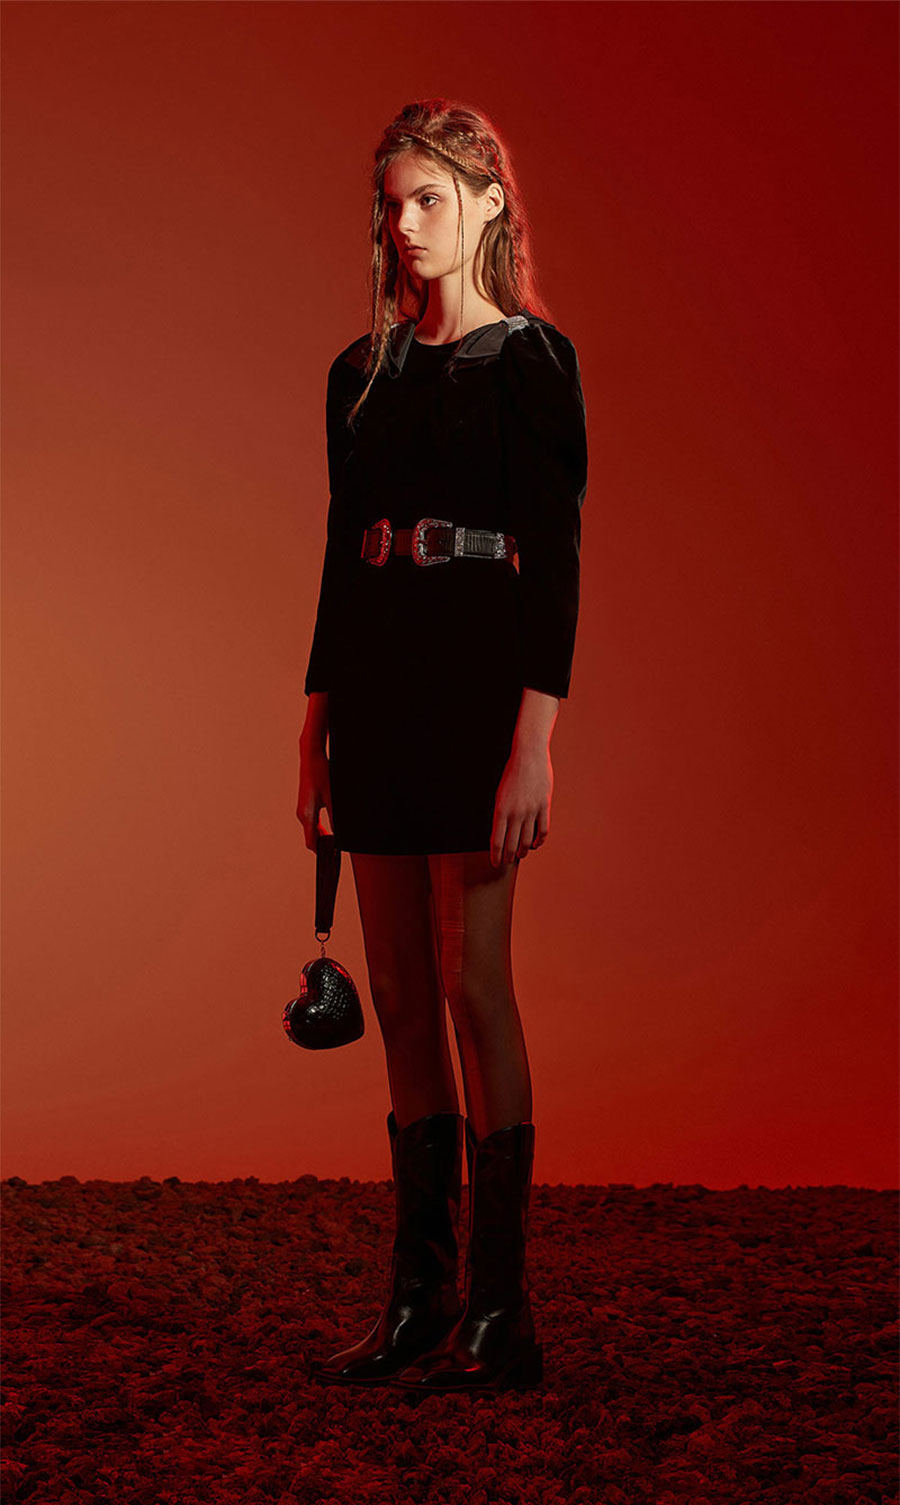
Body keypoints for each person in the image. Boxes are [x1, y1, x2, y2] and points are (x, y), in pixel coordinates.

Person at [296, 98, 588, 1392]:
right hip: (374, 692)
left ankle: (499, 1306)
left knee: (475, 986)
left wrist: (536, 741)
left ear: (487, 201)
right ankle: (416, 1297)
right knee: (401, 995)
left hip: (477, 691)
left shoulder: (533, 362)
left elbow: (556, 564)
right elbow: (334, 561)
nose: (406, 225)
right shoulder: (356, 376)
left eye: (429, 198)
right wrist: (313, 730)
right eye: (392, 204)